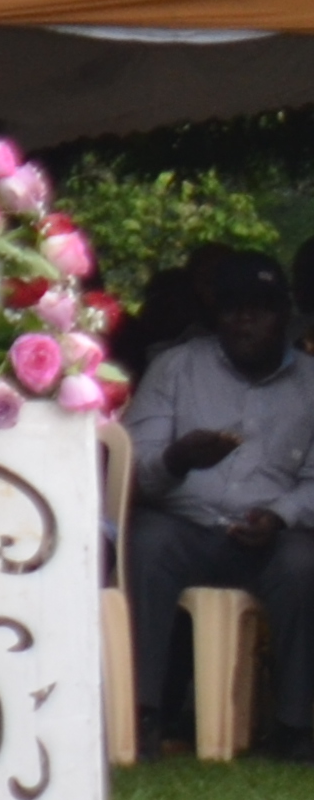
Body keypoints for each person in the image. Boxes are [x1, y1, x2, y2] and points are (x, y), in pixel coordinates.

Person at [123, 246, 314, 756]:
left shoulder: (311, 383)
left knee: (303, 562)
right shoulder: (174, 368)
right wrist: (178, 459)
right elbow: (133, 469)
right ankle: (142, 714)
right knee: (145, 540)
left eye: (261, 308)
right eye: (232, 308)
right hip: (186, 528)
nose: (245, 320)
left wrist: (279, 515)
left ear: (284, 315)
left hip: (271, 537)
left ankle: (297, 727)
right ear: (215, 316)